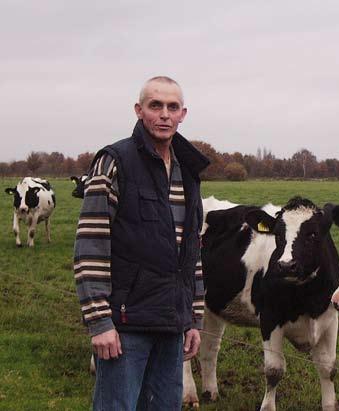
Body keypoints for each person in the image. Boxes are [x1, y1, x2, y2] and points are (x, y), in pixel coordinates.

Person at [74, 76, 209, 410]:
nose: (164, 114)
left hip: (171, 323)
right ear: (139, 110)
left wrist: (194, 317)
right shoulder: (114, 162)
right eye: (155, 105)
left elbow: (192, 250)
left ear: (183, 114)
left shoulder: (188, 171)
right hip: (125, 325)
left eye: (172, 107)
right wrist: (99, 320)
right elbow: (91, 244)